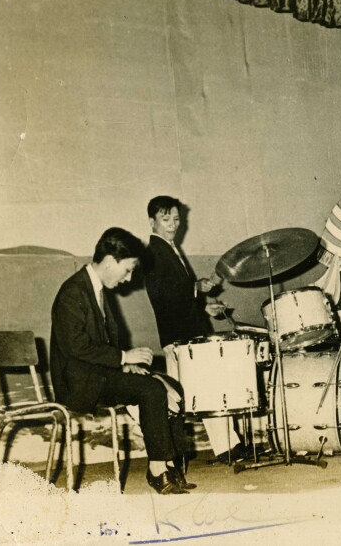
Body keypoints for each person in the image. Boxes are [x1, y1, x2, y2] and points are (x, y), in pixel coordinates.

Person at [50, 227, 191, 494]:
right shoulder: (72, 292)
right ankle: (157, 470)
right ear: (109, 261)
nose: (128, 279)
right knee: (151, 389)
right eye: (127, 270)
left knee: (172, 385)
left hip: (98, 374)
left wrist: (125, 366)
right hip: (79, 383)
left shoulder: (95, 290)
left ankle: (172, 464)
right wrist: (124, 356)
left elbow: (97, 347)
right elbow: (76, 347)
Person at [144, 196, 249, 463]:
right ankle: (172, 457)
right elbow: (162, 295)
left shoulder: (169, 249)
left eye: (177, 219)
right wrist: (196, 286)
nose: (173, 225)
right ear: (152, 222)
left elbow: (176, 299)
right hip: (179, 339)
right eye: (166, 219)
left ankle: (229, 447)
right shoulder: (154, 252)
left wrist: (204, 308)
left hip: (187, 333)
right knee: (182, 398)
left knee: (207, 391)